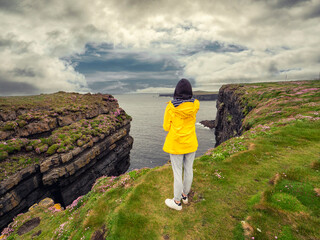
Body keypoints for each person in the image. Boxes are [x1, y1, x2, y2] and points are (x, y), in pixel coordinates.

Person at [163, 79, 200, 210]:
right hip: (190, 142)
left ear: (176, 91)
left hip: (176, 144)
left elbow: (166, 127)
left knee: (178, 172)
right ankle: (185, 195)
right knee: (189, 169)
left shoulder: (171, 107)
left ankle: (177, 202)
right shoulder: (195, 105)